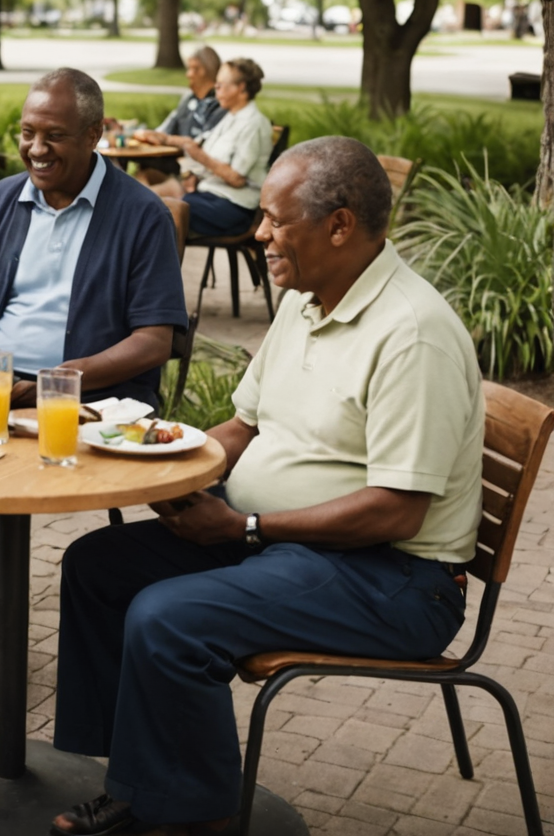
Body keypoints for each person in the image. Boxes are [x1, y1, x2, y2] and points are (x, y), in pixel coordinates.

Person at [49, 139, 482, 836]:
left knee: (168, 617)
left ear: (339, 225)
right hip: (287, 544)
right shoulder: (309, 300)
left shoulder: (411, 335)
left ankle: (193, 817)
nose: (260, 234)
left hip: (394, 579)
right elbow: (243, 427)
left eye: (276, 222)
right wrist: (169, 470)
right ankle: (136, 781)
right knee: (98, 566)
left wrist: (245, 530)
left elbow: (399, 510)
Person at [0, 69, 189, 689]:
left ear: (95, 134)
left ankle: (174, 640)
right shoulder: (0, 202)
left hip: (97, 405)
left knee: (171, 505)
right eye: (27, 133)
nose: (36, 148)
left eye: (55, 135)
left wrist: (57, 383)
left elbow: (156, 340)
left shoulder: (140, 214)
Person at [144, 58, 273, 238]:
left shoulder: (253, 123)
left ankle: (161, 265)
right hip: (210, 196)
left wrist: (198, 155)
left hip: (235, 207)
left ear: (241, 88)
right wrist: (193, 172)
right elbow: (206, 152)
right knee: (148, 201)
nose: (215, 89)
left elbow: (236, 179)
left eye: (220, 85)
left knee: (167, 209)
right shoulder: (230, 117)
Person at [125, 44, 224, 143]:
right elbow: (166, 128)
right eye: (188, 69)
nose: (188, 74)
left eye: (194, 69)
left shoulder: (218, 104)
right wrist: (143, 133)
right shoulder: (188, 99)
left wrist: (167, 140)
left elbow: (203, 142)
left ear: (207, 71)